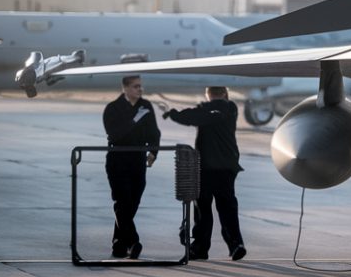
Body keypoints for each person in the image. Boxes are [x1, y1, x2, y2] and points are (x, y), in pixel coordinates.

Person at [163, 86, 246, 260]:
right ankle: (236, 244)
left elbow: (191, 117)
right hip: (227, 167)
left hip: (206, 168)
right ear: (225, 93)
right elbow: (200, 115)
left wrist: (172, 113)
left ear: (207, 94)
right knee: (227, 207)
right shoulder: (231, 108)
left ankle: (200, 248)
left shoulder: (208, 110)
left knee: (202, 209)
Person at [102, 75, 161, 259]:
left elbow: (154, 132)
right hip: (117, 161)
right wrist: (135, 119)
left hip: (137, 161)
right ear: (125, 88)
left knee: (132, 203)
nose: (140, 89)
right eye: (136, 86)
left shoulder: (146, 106)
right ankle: (133, 242)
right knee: (122, 202)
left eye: (141, 86)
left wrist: (153, 151)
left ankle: (119, 244)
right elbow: (114, 135)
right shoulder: (113, 108)